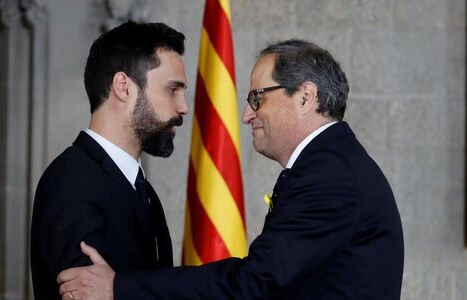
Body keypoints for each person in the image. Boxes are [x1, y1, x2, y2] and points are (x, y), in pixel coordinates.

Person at [57, 40, 404, 299]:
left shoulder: (330, 174)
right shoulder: (332, 164)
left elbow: (254, 282)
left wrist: (119, 286)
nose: (247, 114)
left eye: (258, 97)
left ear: (305, 96)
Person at [30, 20, 189, 299]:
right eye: (172, 89)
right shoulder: (72, 182)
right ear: (124, 87)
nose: (183, 107)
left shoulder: (140, 187)